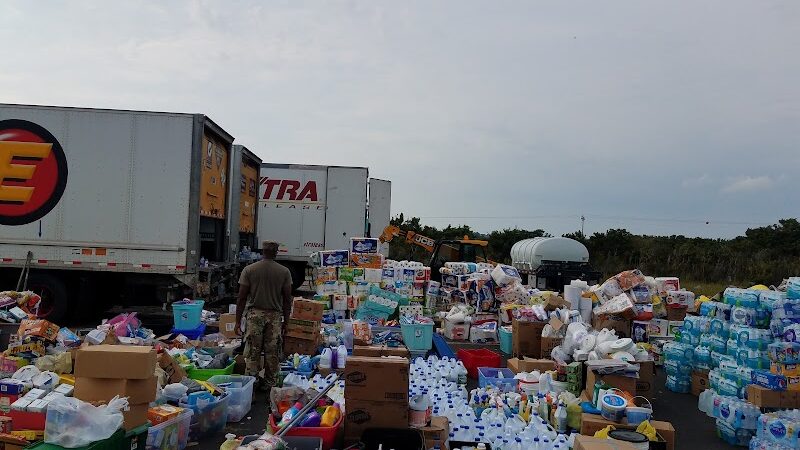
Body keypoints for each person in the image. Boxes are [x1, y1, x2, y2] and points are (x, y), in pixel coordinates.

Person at [236, 241, 293, 390]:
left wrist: (237, 321)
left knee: (253, 352)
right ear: (276, 252)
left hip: (255, 315)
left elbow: (241, 297)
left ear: (262, 251)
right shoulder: (284, 272)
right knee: (272, 353)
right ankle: (270, 387)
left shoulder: (249, 270)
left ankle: (251, 388)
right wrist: (286, 322)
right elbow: (287, 299)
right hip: (274, 317)